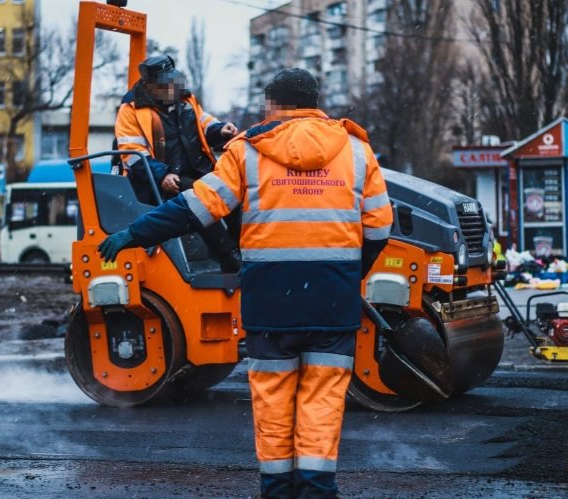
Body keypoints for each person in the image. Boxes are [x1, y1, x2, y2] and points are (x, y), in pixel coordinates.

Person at [99, 68, 393, 499]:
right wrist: (349, 274)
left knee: (273, 397)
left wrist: (134, 233)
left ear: (274, 104)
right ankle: (317, 488)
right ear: (315, 101)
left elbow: (192, 209)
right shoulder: (357, 152)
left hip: (269, 302)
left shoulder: (247, 153)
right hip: (333, 300)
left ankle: (275, 489)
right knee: (323, 400)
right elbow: (380, 229)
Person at [114, 54, 241, 272]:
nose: (171, 89)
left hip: (195, 173)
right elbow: (133, 155)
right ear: (148, 85)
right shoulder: (131, 111)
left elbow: (206, 125)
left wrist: (220, 130)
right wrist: (162, 175)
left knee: (235, 197)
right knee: (200, 201)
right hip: (160, 181)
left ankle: (240, 250)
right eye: (165, 85)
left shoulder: (187, 101)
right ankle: (229, 257)